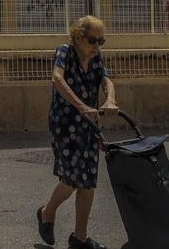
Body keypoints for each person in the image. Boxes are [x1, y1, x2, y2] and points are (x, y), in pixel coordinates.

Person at [36, 15, 119, 249]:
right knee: (73, 178)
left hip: (89, 125)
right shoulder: (65, 52)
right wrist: (82, 106)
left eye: (101, 41)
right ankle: (47, 212)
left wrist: (110, 99)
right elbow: (57, 79)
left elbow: (106, 80)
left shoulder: (96, 57)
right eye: (93, 40)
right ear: (79, 37)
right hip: (64, 124)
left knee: (88, 182)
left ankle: (80, 238)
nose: (97, 46)